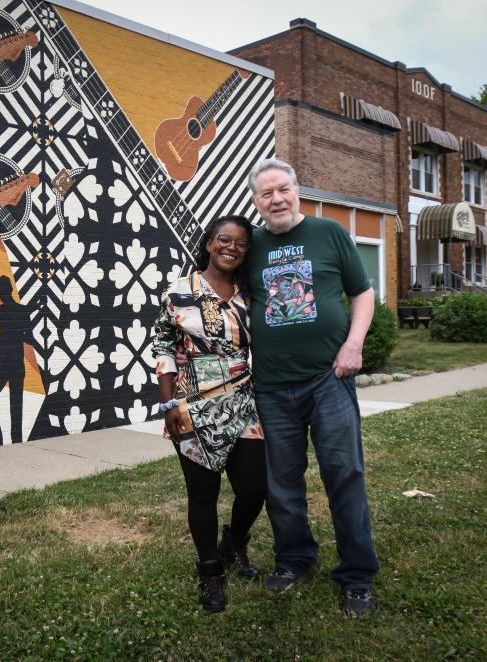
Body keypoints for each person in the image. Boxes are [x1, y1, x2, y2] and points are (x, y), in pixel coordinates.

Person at [244, 157, 379, 618]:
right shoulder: (252, 245)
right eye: (267, 194)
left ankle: (357, 575)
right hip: (271, 386)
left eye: (283, 189)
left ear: (297, 191)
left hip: (329, 377)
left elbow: (362, 292)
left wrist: (354, 345)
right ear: (256, 201)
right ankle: (295, 559)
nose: (277, 199)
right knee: (282, 482)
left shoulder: (329, 234)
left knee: (345, 474)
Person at [151, 215, 268, 613]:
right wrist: (169, 403)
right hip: (191, 404)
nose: (230, 248)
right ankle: (210, 572)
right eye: (224, 240)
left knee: (255, 487)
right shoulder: (180, 291)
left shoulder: (249, 295)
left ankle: (234, 541)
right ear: (209, 243)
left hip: (242, 400)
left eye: (239, 243)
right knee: (203, 493)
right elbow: (162, 344)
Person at [0, 276, 35, 446]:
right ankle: (15, 441)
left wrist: (0, 339)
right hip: (15, 364)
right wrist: (15, 336)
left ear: (2, 291)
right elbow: (29, 340)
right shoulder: (21, 311)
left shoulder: (2, 310)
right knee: (15, 403)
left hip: (5, 363)